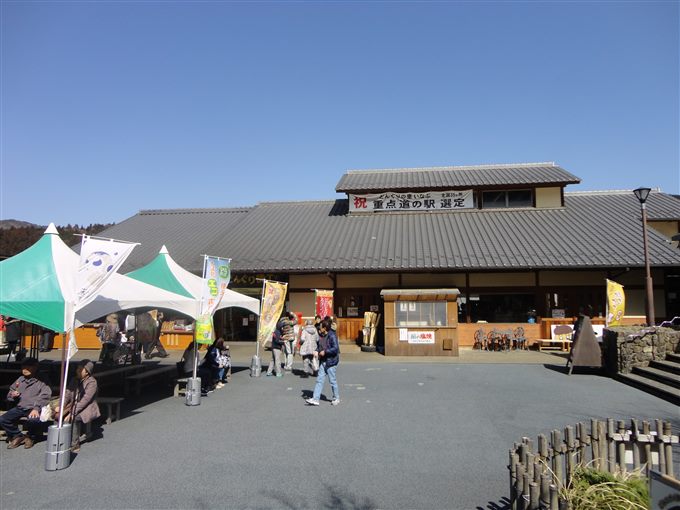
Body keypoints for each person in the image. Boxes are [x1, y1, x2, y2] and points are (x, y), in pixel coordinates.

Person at [1, 357, 52, 449]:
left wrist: (36, 408)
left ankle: (30, 437)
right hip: (21, 406)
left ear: (35, 367)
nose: (24, 370)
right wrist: (12, 395)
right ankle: (18, 436)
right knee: (3, 419)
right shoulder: (20, 379)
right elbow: (10, 392)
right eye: (23, 367)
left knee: (33, 420)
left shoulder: (42, 380)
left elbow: (46, 396)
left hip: (33, 408)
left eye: (28, 368)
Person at [55, 360, 100, 453]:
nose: (77, 371)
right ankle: (59, 439)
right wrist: (61, 405)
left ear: (87, 372)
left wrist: (72, 413)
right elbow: (67, 394)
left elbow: (85, 400)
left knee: (73, 418)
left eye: (80, 369)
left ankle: (74, 444)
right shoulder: (74, 380)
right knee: (56, 415)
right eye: (77, 369)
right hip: (72, 404)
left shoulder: (92, 383)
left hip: (87, 407)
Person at [305, 318, 340, 406]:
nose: (319, 328)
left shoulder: (332, 335)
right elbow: (320, 346)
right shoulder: (322, 335)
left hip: (331, 362)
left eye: (321, 327)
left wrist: (325, 352)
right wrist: (317, 351)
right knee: (319, 380)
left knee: (332, 381)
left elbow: (335, 349)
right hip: (323, 361)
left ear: (325, 328)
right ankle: (316, 399)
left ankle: (336, 398)